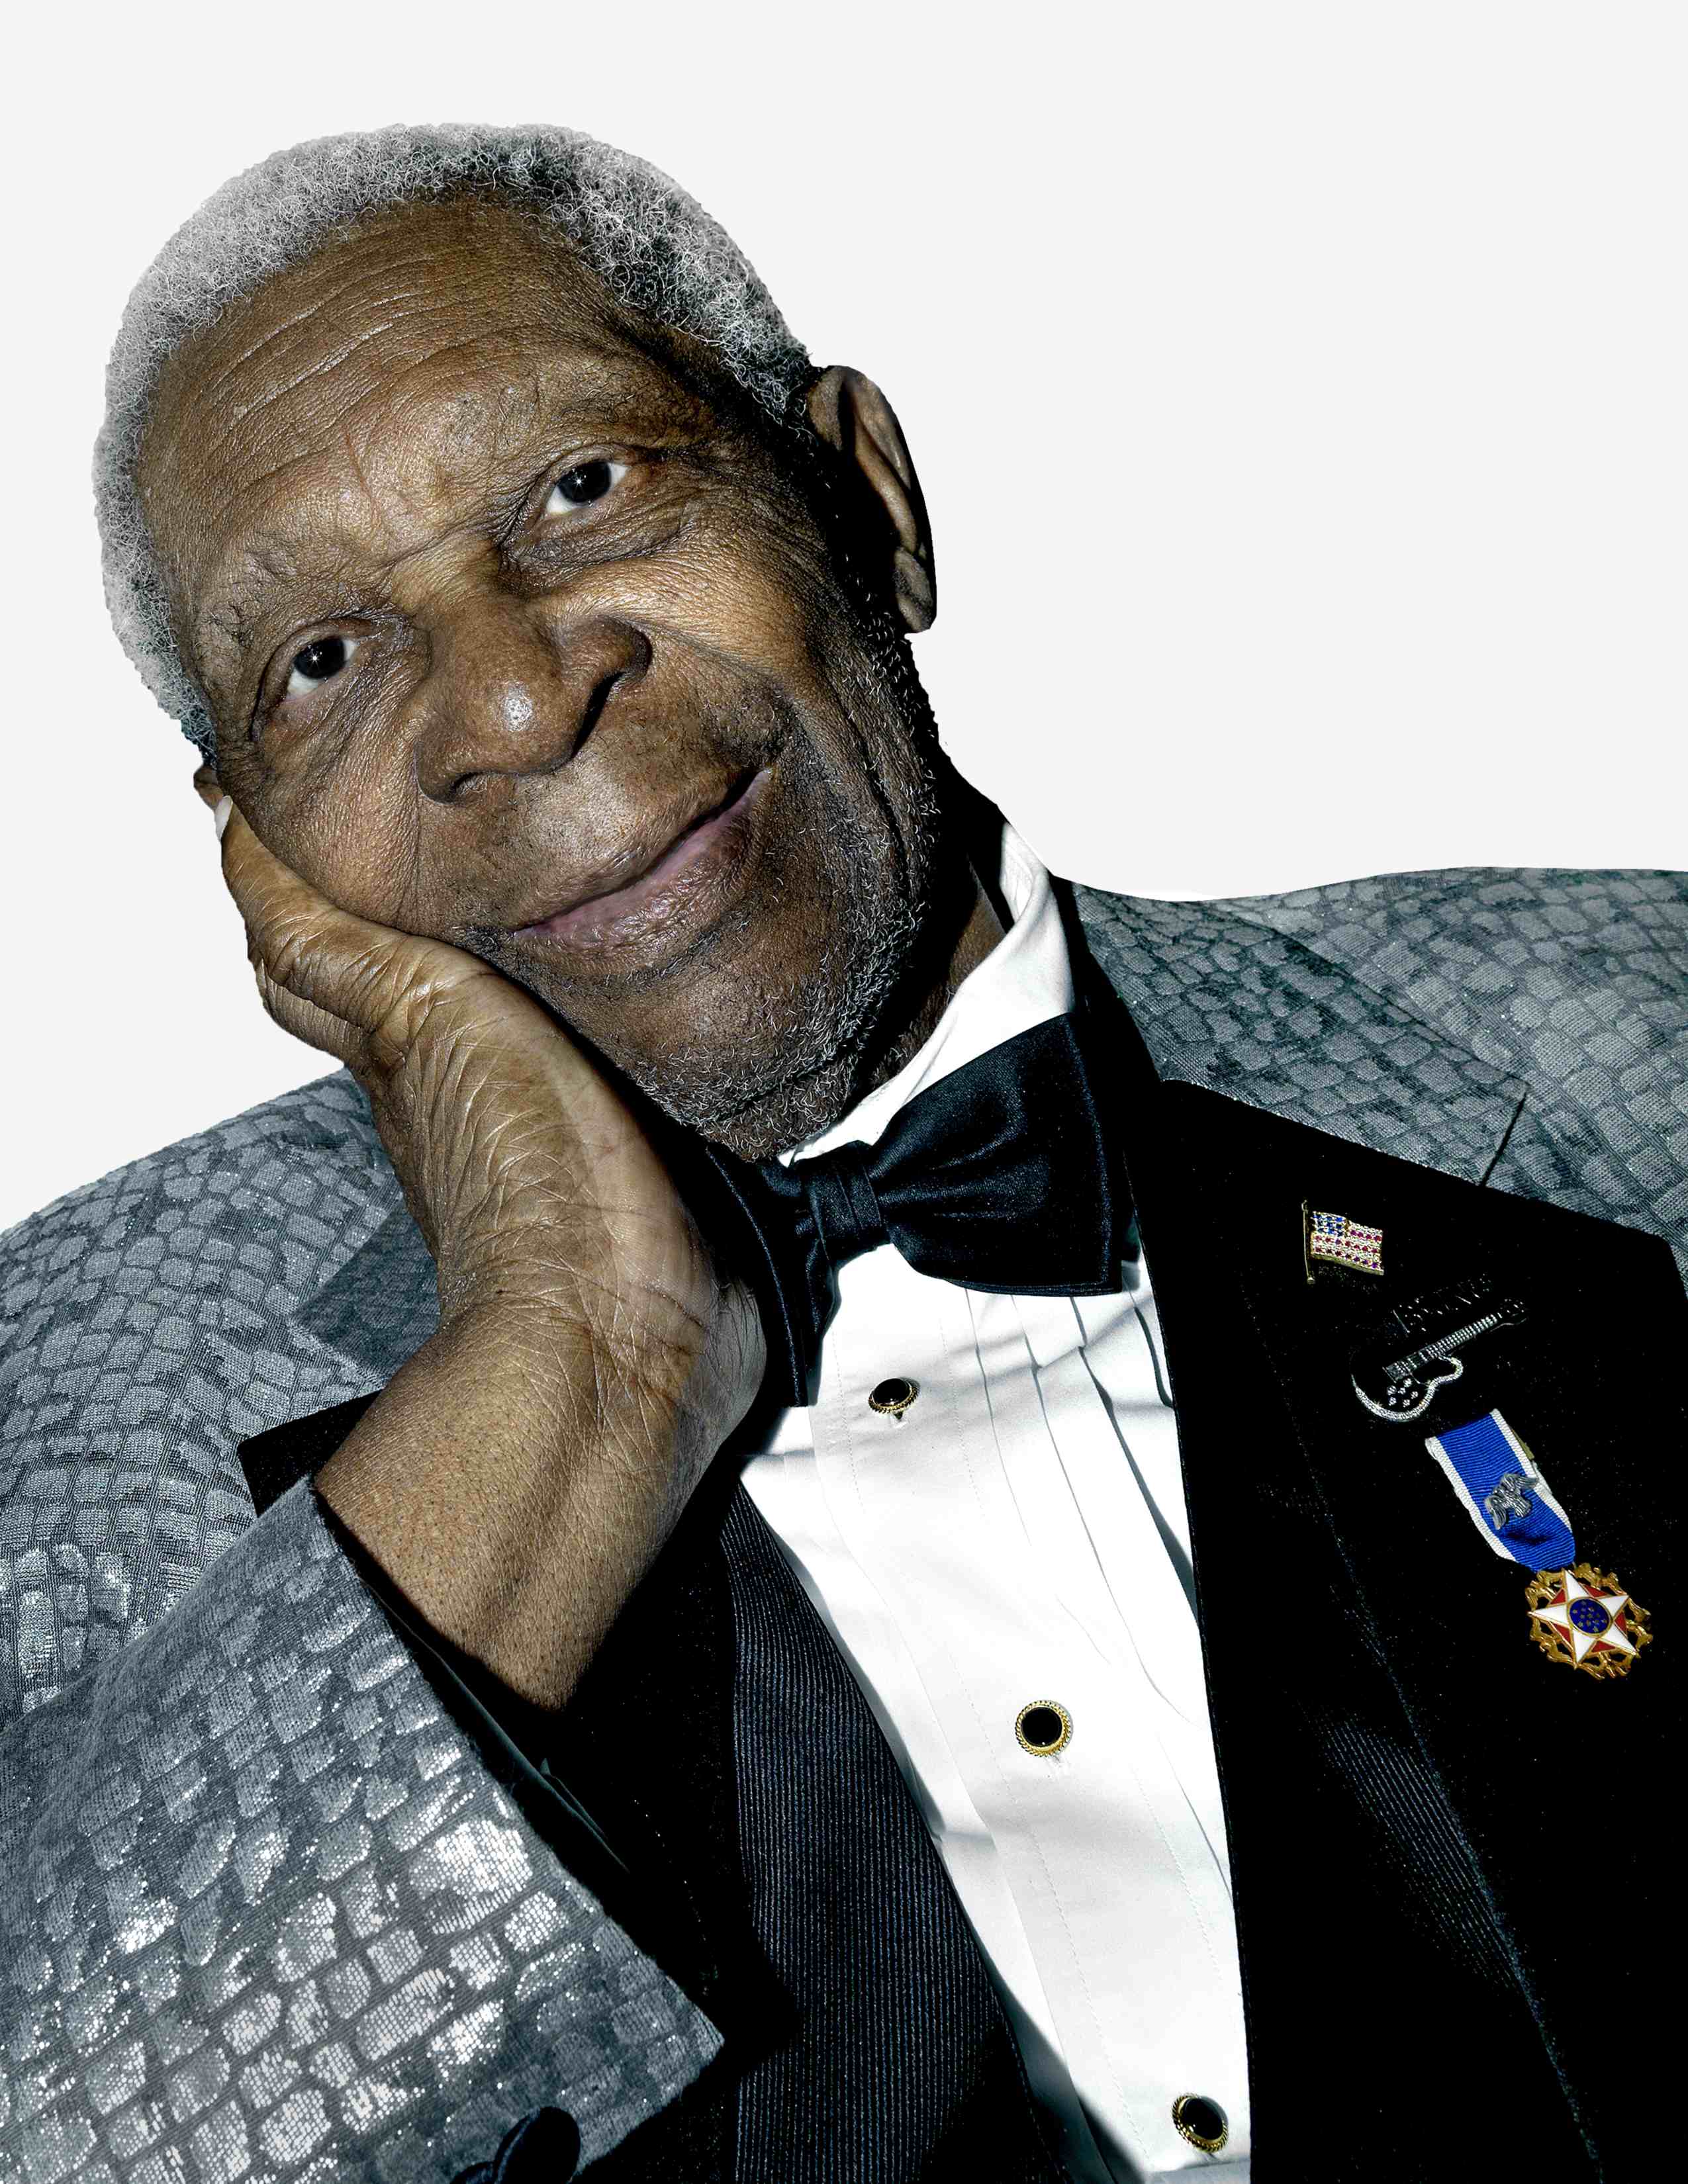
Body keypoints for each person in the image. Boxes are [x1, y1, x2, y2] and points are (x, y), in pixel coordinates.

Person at [1, 122, 1679, 2184]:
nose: (514, 699)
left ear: (867, 496)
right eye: (321, 660)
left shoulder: (1638, 1028)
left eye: (582, 488)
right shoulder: (56, 1408)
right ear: (251, 841)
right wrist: (576, 1357)